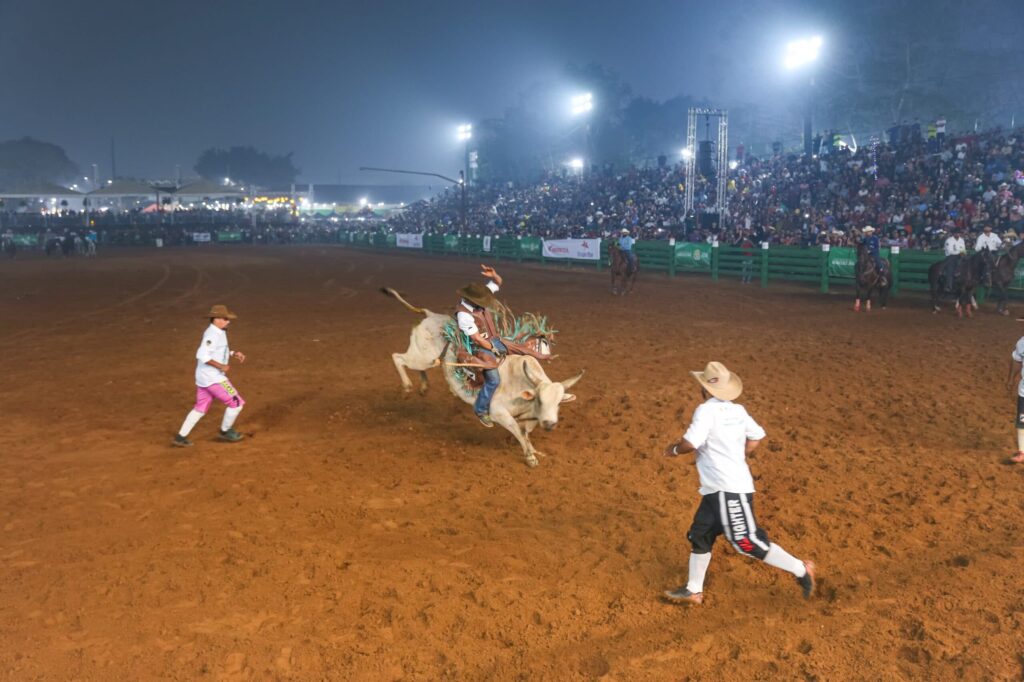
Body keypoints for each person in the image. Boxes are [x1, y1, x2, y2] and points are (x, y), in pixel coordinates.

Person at [661, 361, 816, 605]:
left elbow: (691, 443)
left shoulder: (706, 410)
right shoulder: (739, 410)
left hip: (727, 490)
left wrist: (673, 450)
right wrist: (739, 455)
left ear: (704, 389)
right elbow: (756, 437)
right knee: (700, 534)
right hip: (719, 489)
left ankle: (800, 569)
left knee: (746, 542)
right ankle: (693, 590)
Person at [172, 305, 247, 447]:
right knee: (237, 403)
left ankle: (180, 437)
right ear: (216, 319)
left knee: (200, 408)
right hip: (215, 378)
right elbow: (201, 355)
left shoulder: (219, 331)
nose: (228, 321)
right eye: (225, 319)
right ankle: (225, 431)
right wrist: (221, 366)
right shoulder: (212, 334)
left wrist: (233, 353)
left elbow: (218, 350)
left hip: (203, 378)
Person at [455, 265, 505, 428]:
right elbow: (476, 339)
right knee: (493, 380)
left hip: (492, 338)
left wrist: (494, 275)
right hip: (479, 347)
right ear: (471, 300)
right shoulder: (464, 314)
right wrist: (492, 348)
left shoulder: (480, 293)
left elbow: (498, 283)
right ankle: (481, 409)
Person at [1006, 327, 1024, 464]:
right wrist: (1011, 379)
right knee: (1022, 421)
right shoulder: (1022, 343)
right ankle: (1022, 451)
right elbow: (1017, 361)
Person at [942, 228, 966, 292]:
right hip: (951, 257)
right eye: (956, 233)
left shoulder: (961, 240)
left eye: (959, 233)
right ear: (953, 233)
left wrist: (963, 253)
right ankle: (948, 286)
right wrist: (959, 253)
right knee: (950, 270)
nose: (958, 234)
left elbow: (963, 249)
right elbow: (950, 251)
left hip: (960, 256)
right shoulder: (949, 240)